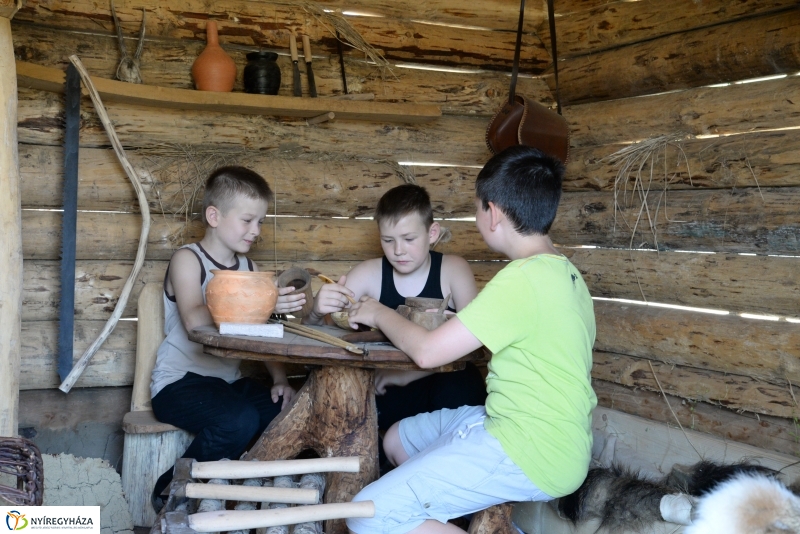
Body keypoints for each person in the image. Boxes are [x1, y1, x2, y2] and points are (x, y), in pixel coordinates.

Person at [345, 146, 597, 533]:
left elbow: (428, 353)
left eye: (477, 208)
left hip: (531, 449)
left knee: (366, 514)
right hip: (536, 430)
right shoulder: (564, 273)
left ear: (492, 213)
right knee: (397, 440)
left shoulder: (521, 279)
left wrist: (379, 312)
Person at [148, 166, 307, 512]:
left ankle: (240, 492)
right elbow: (194, 320)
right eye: (248, 220)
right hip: (179, 384)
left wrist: (280, 378)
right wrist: (260, 302)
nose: (256, 230)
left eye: (261, 222)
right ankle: (173, 489)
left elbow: (261, 332)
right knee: (239, 420)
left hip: (226, 383)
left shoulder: (249, 269)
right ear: (214, 216)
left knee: (290, 410)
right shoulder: (187, 260)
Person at [304, 184, 487, 457]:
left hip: (438, 384)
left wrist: (404, 374)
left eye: (409, 239)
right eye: (388, 240)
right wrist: (317, 312)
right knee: (347, 410)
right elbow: (322, 340)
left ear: (432, 233)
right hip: (386, 390)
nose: (398, 250)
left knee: (461, 385)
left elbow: (473, 343)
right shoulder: (368, 273)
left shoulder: (452, 269)